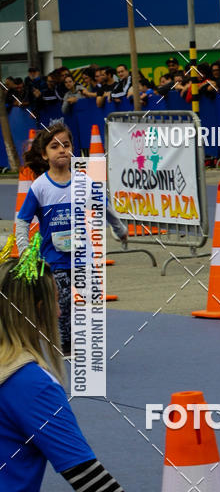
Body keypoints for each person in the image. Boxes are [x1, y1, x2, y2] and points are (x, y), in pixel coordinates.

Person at [0, 240, 156, 492]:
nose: (60, 311)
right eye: (56, 301)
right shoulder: (31, 382)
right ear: (38, 308)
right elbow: (88, 478)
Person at [16, 122, 128, 355]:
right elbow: (22, 220)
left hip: (83, 256)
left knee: (91, 299)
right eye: (54, 146)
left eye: (65, 145)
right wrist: (25, 249)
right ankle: (65, 344)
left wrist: (119, 229)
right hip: (53, 259)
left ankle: (82, 338)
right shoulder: (40, 187)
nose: (61, 150)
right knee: (63, 303)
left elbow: (104, 207)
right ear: (45, 154)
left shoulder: (83, 182)